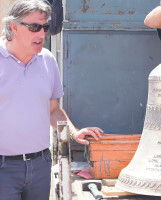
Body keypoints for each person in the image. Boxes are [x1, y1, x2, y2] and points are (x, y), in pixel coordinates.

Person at [0, 1, 103, 199]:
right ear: (14, 27)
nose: (42, 34)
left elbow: (53, 109)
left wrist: (74, 132)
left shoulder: (47, 60)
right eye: (34, 27)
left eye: (45, 27)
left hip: (40, 166)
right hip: (4, 168)